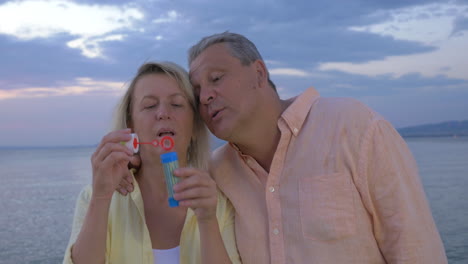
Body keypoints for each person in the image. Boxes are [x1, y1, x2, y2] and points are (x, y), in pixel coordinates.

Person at [185, 32, 448, 263]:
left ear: (259, 74)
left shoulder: (355, 128)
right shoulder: (217, 171)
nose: (205, 96)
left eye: (216, 78)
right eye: (196, 91)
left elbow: (416, 251)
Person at [63, 61, 241, 264]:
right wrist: (101, 197)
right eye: (149, 105)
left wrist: (207, 220)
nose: (163, 113)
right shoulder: (95, 198)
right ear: (131, 126)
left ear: (194, 127)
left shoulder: (218, 203)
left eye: (176, 104)